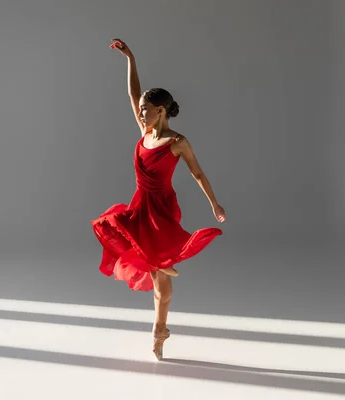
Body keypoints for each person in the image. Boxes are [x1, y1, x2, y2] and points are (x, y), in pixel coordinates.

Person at [91, 38, 226, 360]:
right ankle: (160, 298)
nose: (140, 112)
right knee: (112, 226)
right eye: (140, 110)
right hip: (140, 205)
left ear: (161, 110)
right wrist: (130, 58)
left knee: (160, 279)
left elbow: (197, 173)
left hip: (162, 209)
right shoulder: (145, 132)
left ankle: (159, 329)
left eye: (146, 109)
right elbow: (132, 92)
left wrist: (214, 203)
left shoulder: (177, 141)